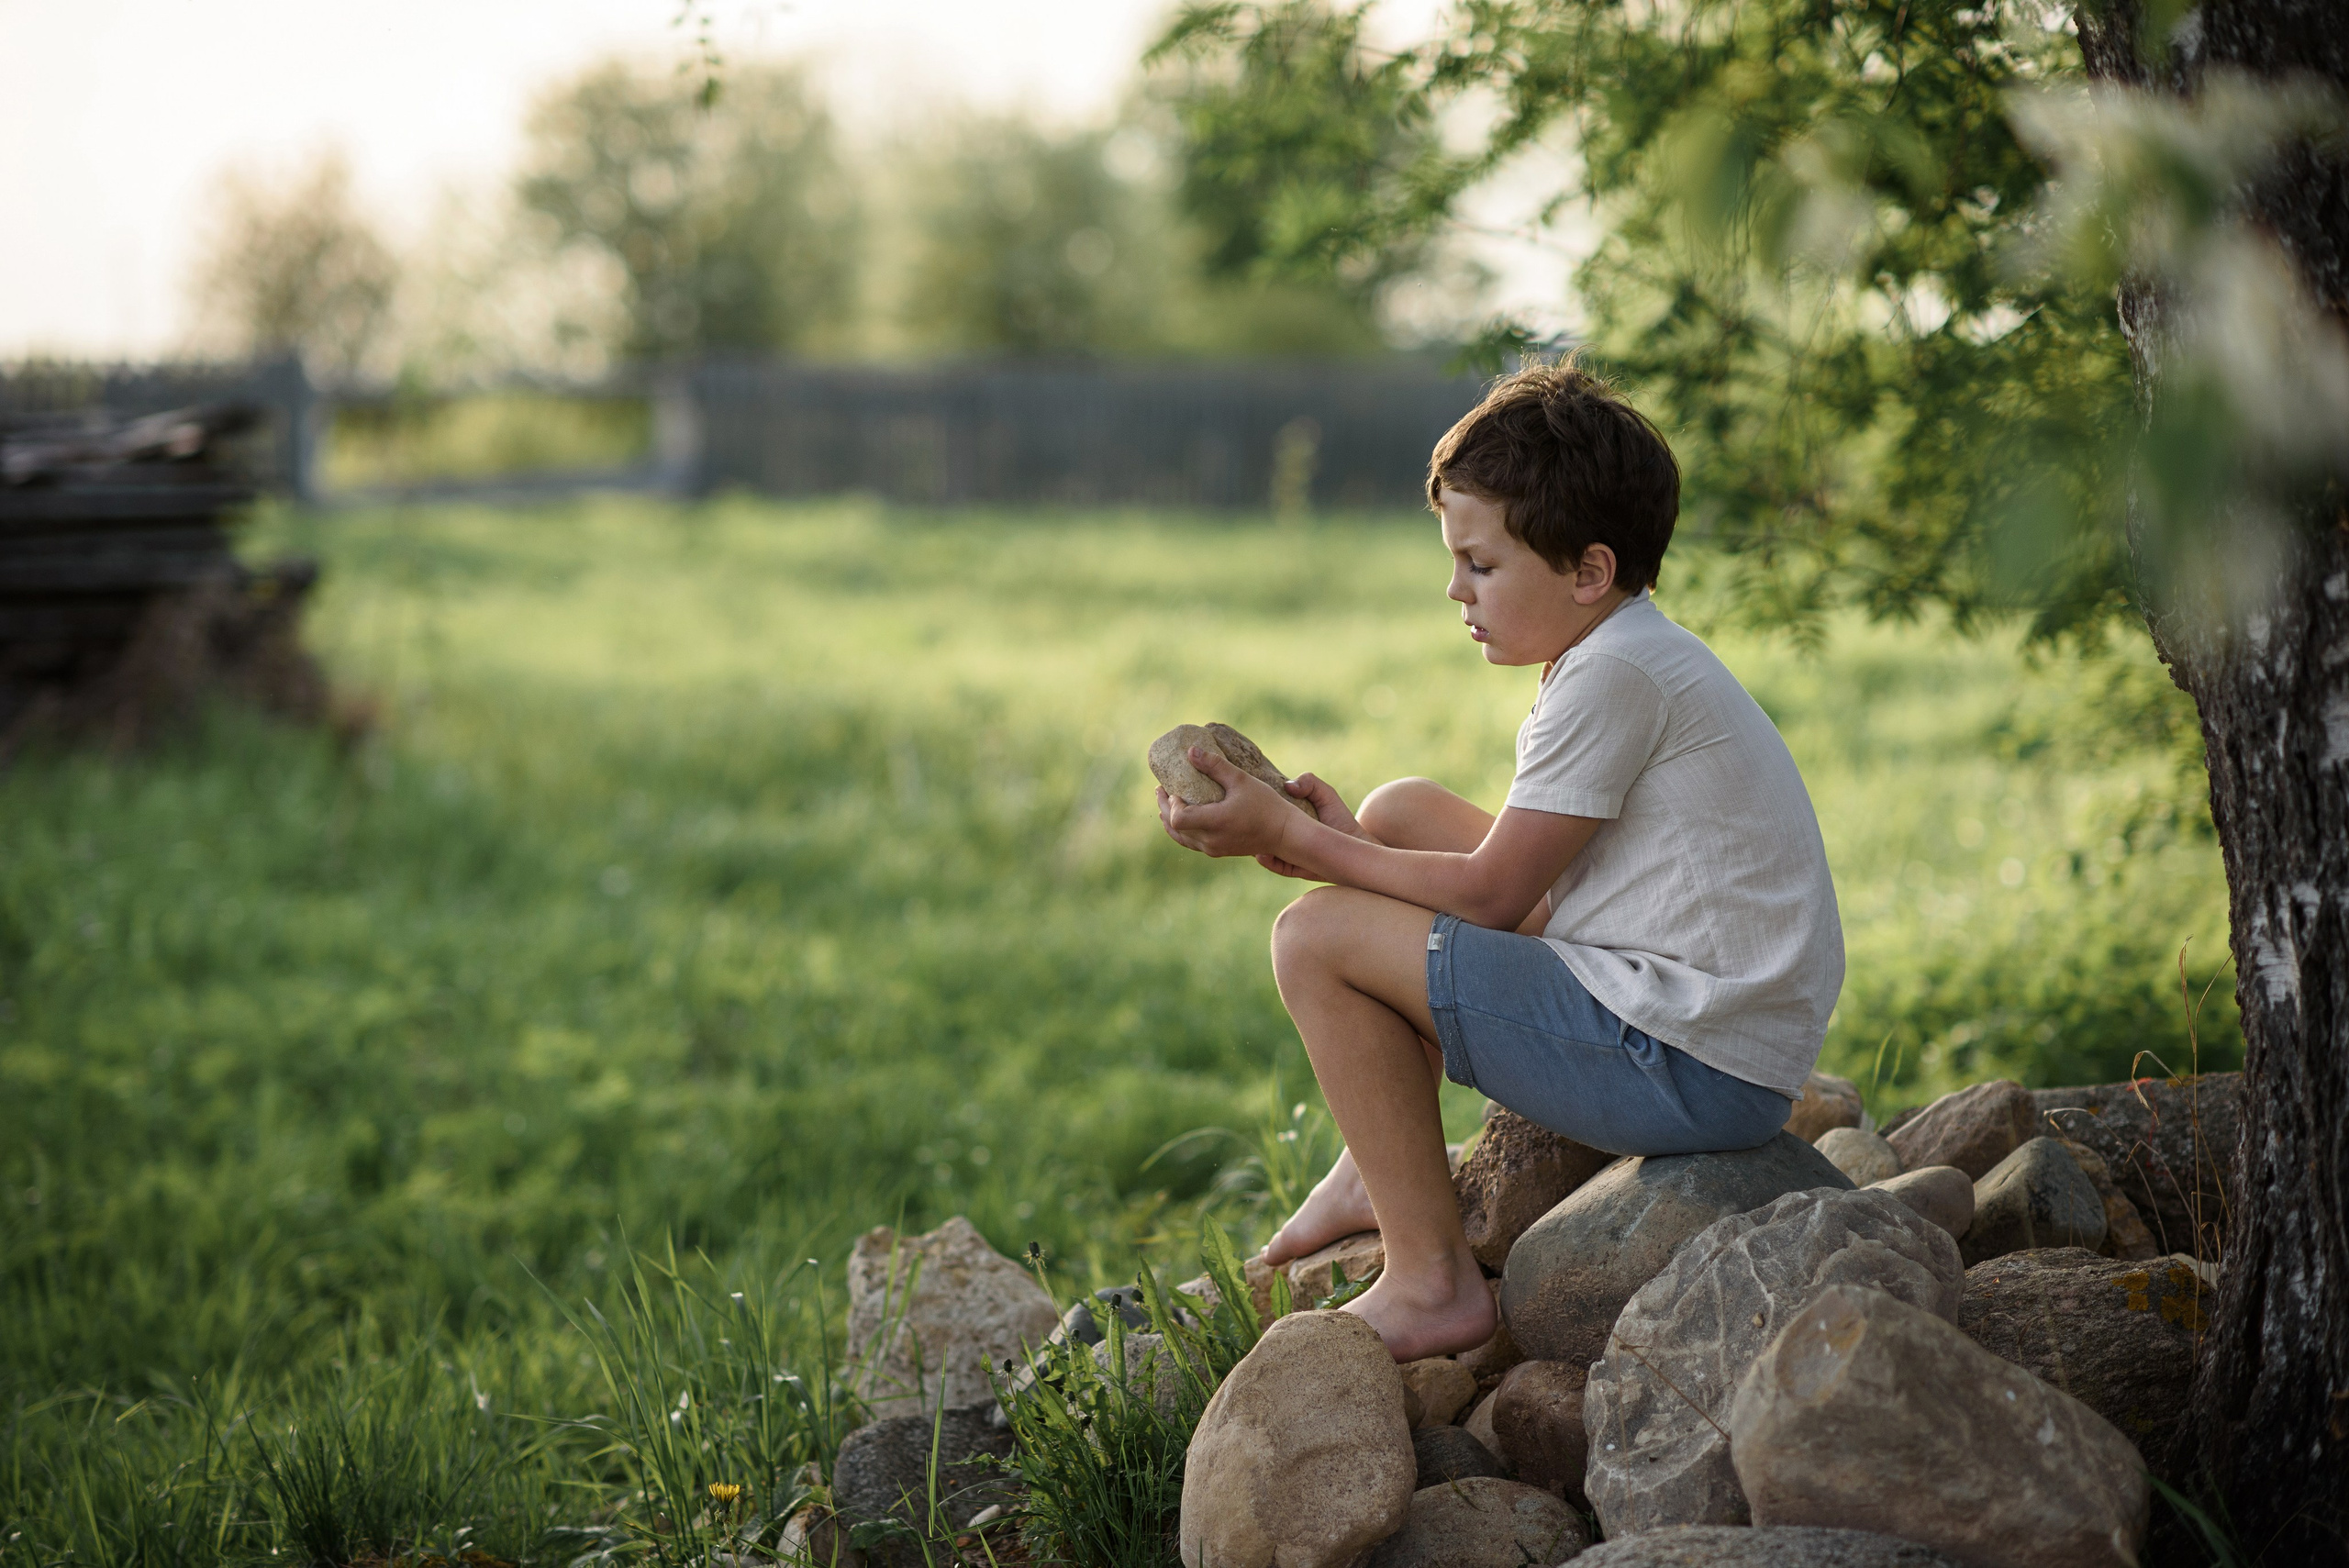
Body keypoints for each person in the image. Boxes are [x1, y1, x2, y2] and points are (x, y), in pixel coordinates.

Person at [1154, 360, 1843, 1360]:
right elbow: (1528, 883)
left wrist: (1300, 842)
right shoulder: (1630, 649)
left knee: (1313, 938)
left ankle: (1431, 1282)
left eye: (1479, 564)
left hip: (1687, 1060)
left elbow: (1493, 891)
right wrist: (1348, 838)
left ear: (1587, 571)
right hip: (1693, 1019)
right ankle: (1374, 1162)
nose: (1453, 588)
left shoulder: (1610, 675)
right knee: (1399, 813)